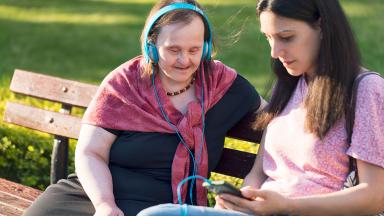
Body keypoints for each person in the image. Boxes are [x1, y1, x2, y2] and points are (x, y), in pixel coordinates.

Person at [137, 0, 384, 215]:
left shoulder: (365, 89)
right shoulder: (288, 85)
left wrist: (287, 206)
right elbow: (258, 173)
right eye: (268, 38)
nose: (275, 52)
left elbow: (373, 197)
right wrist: (238, 199)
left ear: (321, 26)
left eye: (286, 37)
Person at [23, 0, 263, 216]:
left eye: (194, 50)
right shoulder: (124, 84)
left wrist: (253, 181)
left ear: (207, 47)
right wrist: (105, 204)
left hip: (157, 209)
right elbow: (90, 152)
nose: (184, 60)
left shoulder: (224, 86)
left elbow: (281, 119)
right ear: (151, 46)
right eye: (173, 49)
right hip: (94, 194)